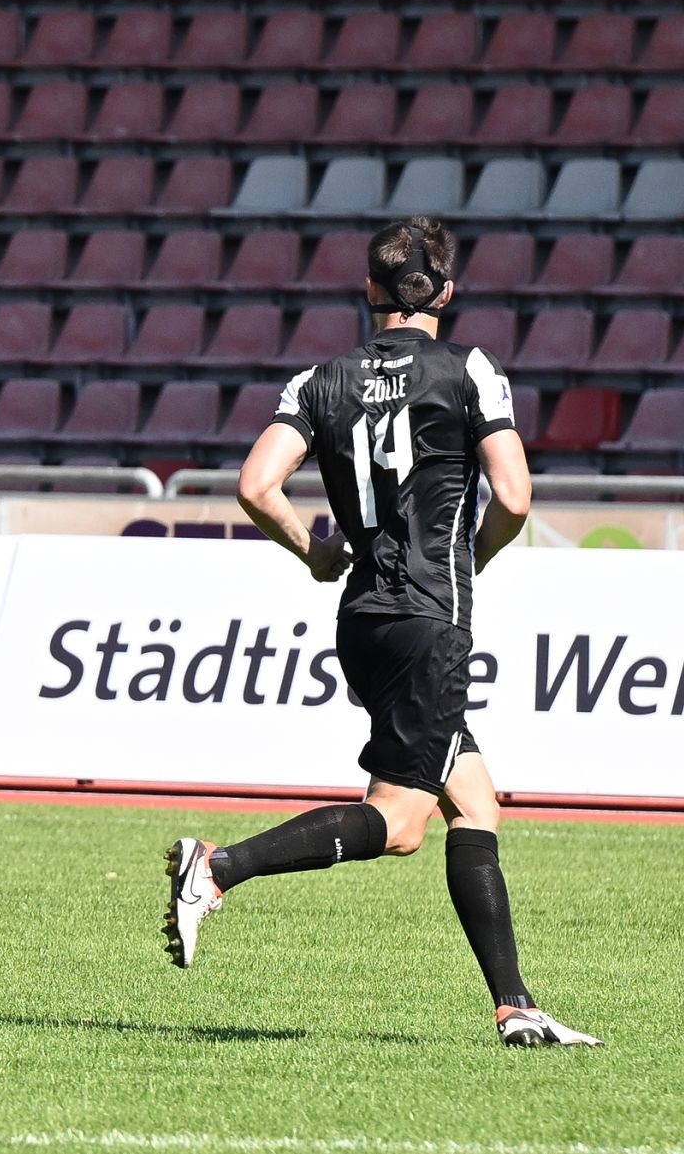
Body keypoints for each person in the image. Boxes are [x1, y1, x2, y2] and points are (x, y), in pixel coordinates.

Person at [163, 217, 599, 1049]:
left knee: (475, 803)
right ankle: (217, 867)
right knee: (399, 823)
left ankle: (516, 1006)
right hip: (430, 620)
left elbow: (256, 484)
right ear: (447, 293)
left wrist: (315, 551)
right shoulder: (470, 369)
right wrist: (472, 555)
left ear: (369, 289)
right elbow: (514, 497)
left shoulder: (318, 379)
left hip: (362, 619)